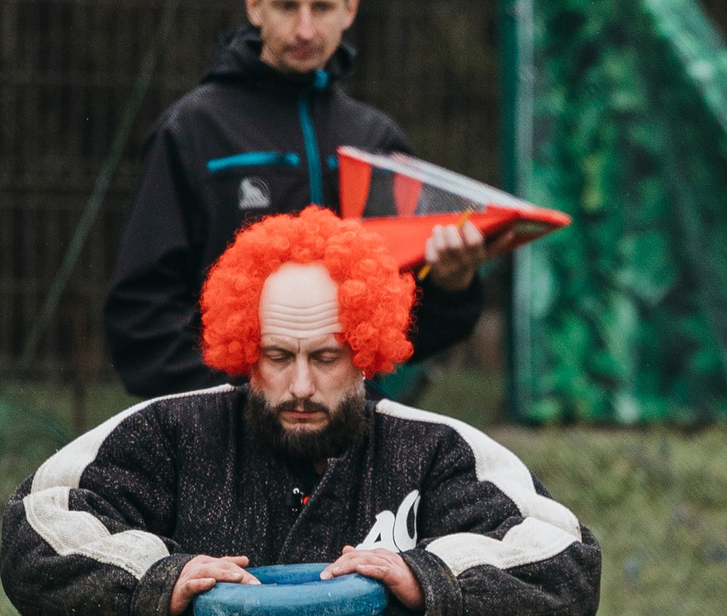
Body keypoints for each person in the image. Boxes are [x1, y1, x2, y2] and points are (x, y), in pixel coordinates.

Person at [3, 207, 598, 616]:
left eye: (327, 357)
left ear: (368, 350)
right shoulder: (172, 432)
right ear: (243, 350)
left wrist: (430, 582)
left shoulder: (434, 449)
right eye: (279, 357)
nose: (302, 386)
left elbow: (564, 565)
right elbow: (37, 531)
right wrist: (160, 583)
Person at [104, 0, 498, 399]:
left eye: (323, 8)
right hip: (228, 431)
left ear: (349, 11)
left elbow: (405, 328)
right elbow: (141, 316)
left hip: (347, 432)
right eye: (288, 7)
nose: (305, 30)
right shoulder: (193, 131)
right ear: (256, 8)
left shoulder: (377, 141)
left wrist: (451, 286)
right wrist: (233, 405)